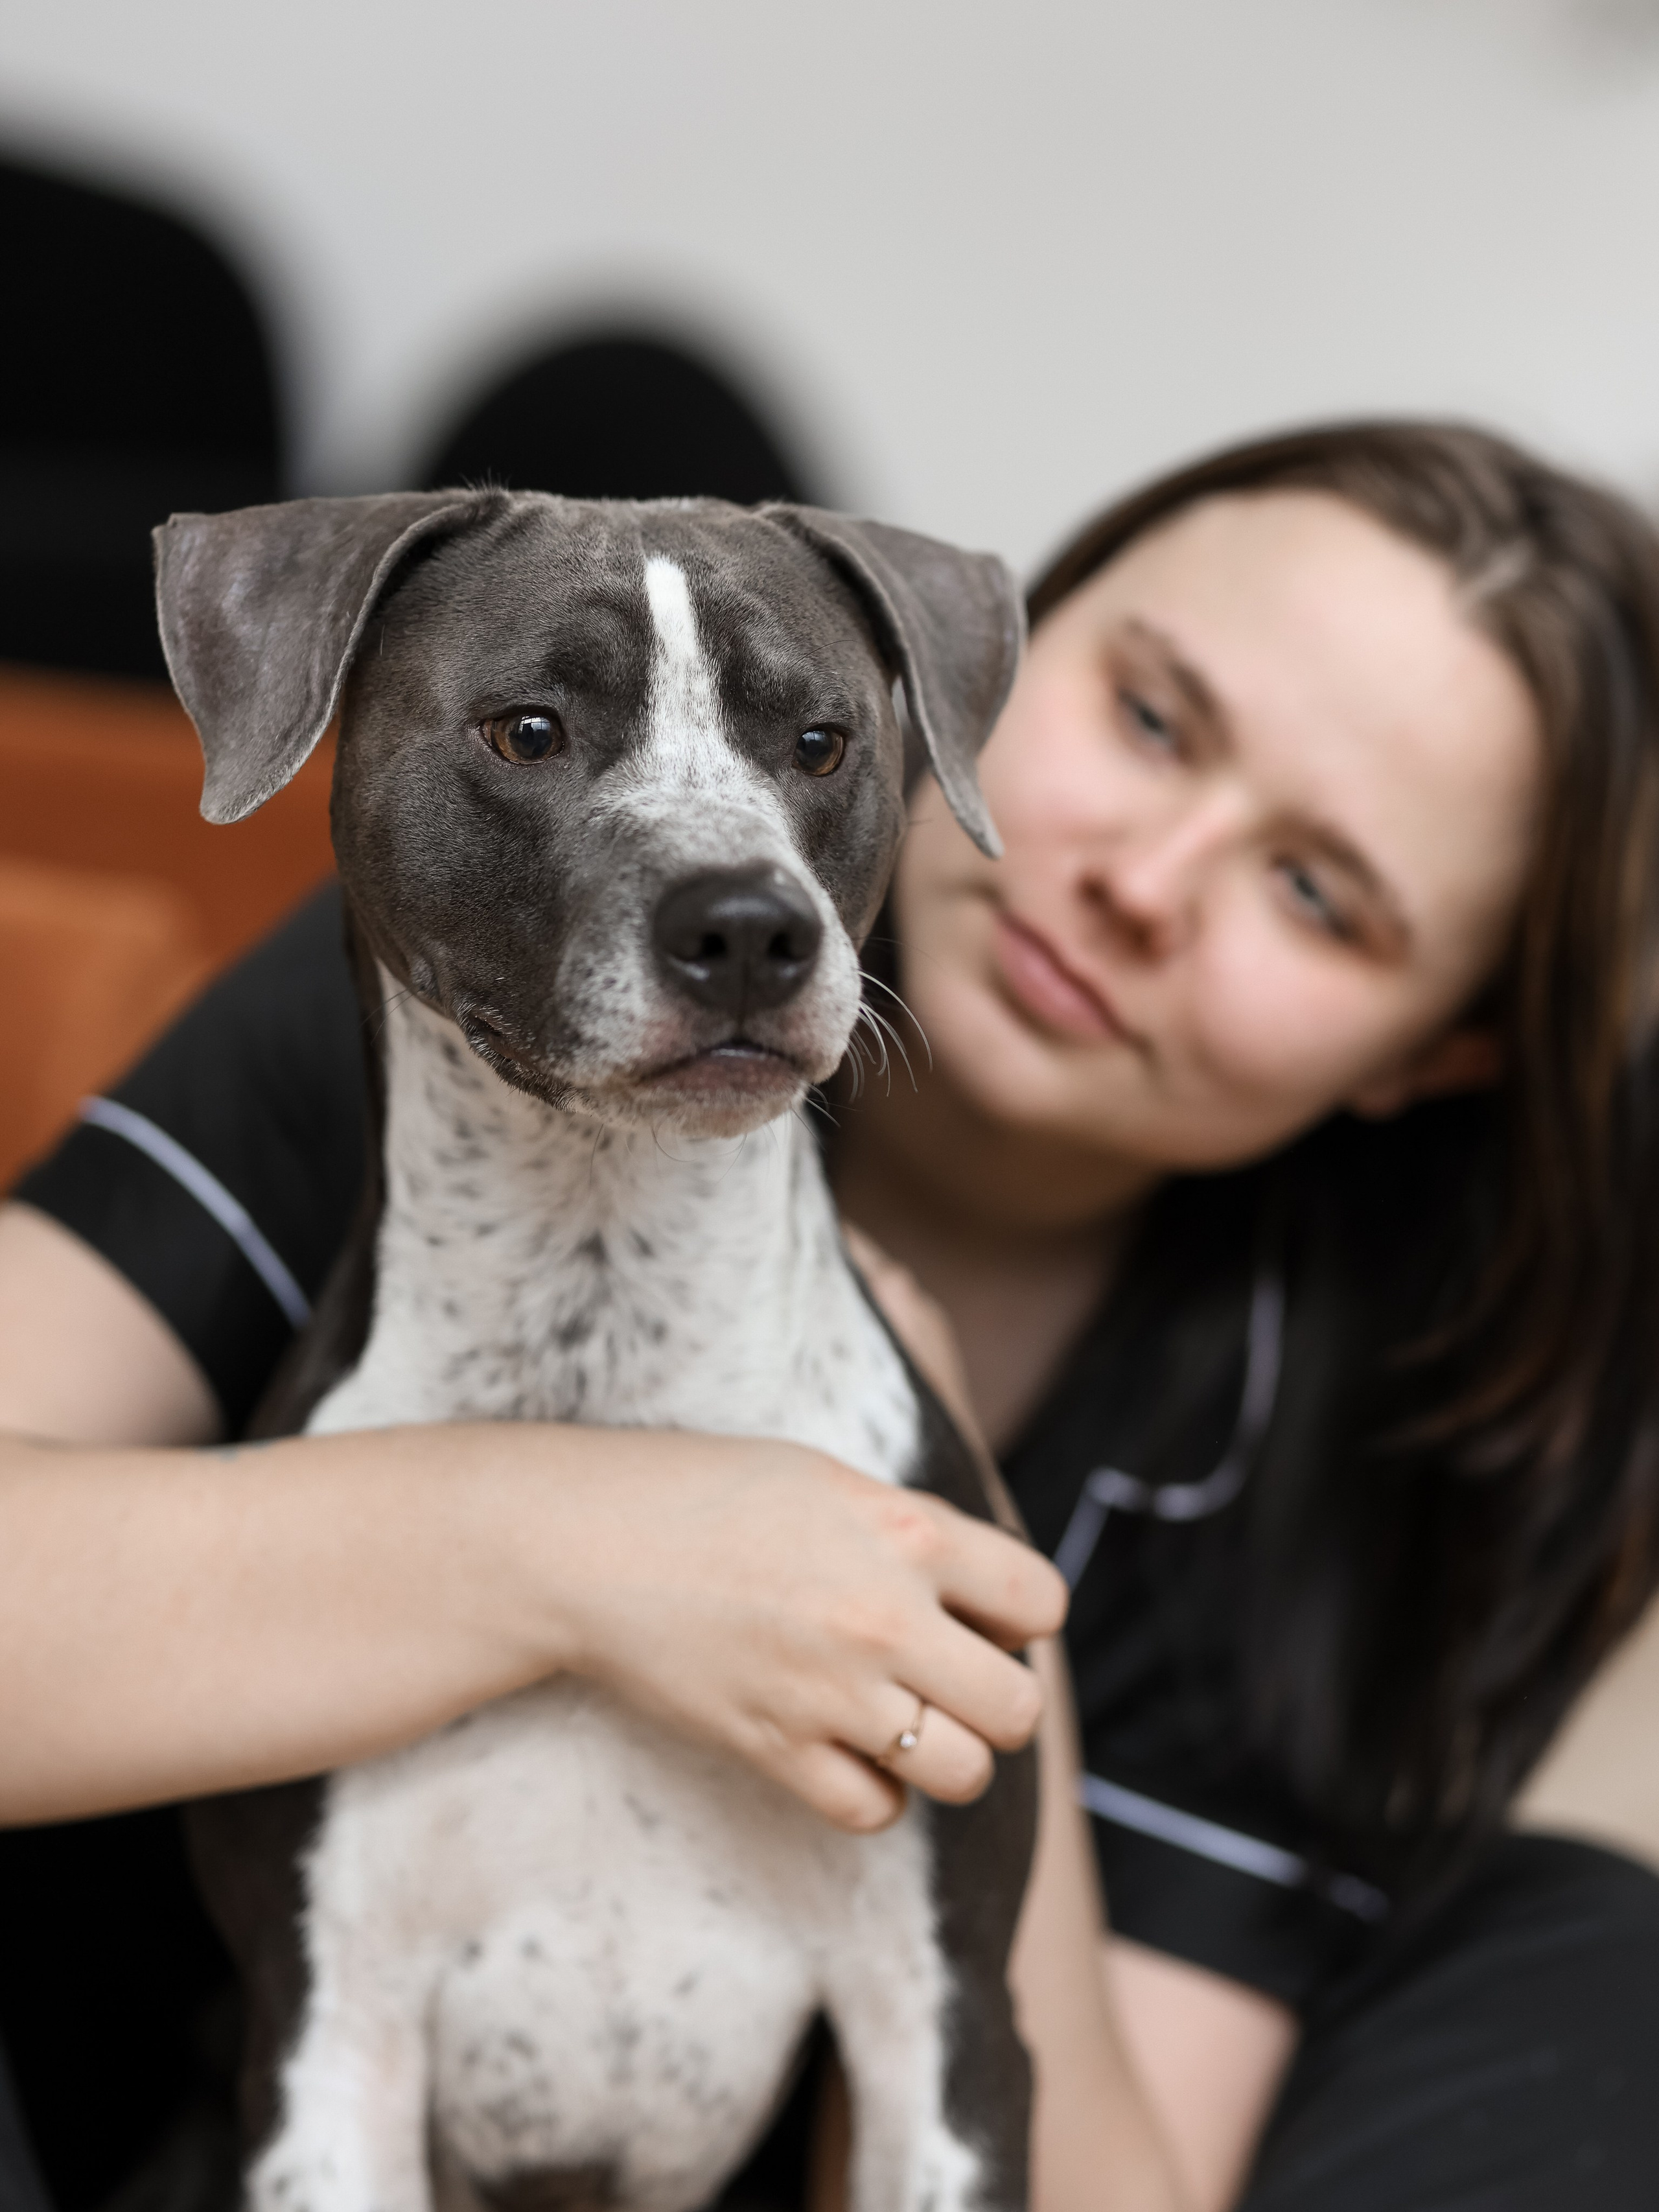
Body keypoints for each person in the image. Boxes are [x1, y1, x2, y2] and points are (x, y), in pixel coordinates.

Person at [5, 419, 1659, 2211]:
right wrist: (605, 1541)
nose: (1146, 883)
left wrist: (947, 1587)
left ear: (1435, 1053)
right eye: (1153, 718)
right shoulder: (442, 987)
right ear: (978, 666)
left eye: (1316, 895)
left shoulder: (1319, 1444)